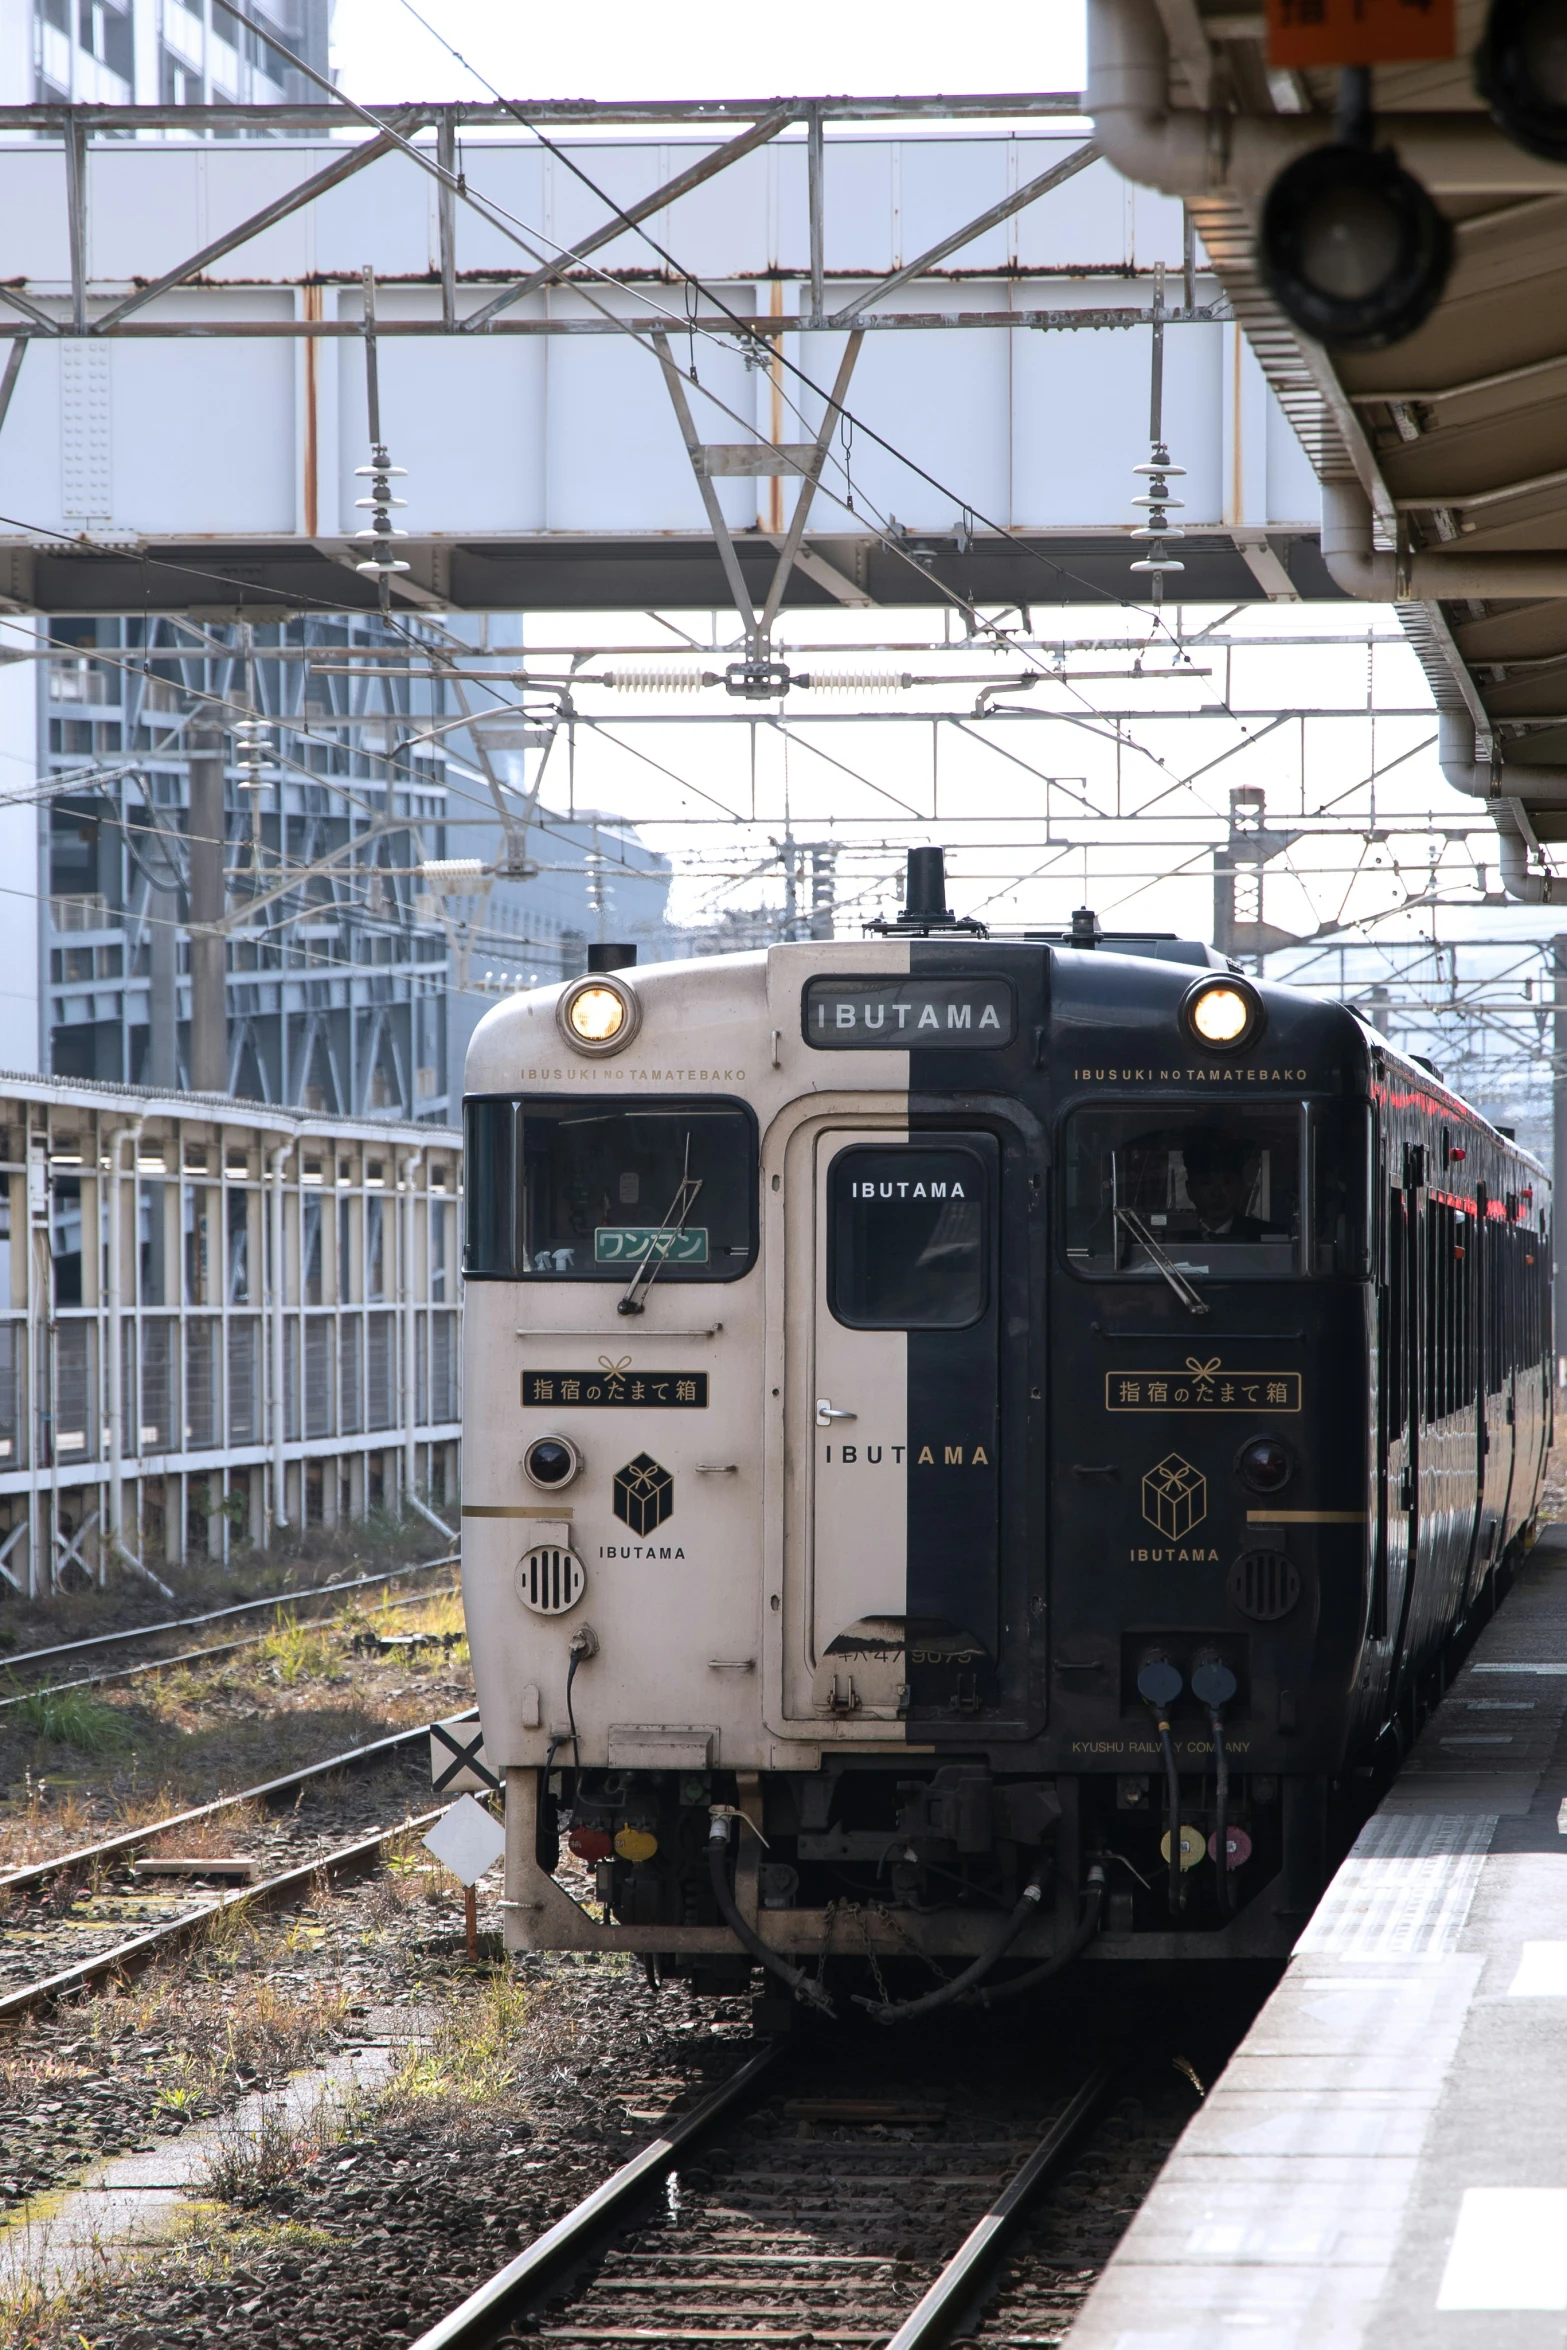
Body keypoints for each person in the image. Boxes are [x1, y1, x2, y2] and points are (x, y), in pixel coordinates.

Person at [1180, 1130, 1266, 1241]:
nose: (1217, 1193)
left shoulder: (1263, 1237)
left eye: (1226, 1182)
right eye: (1207, 1183)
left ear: (1241, 1186)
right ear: (1190, 1190)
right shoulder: (1173, 1239)